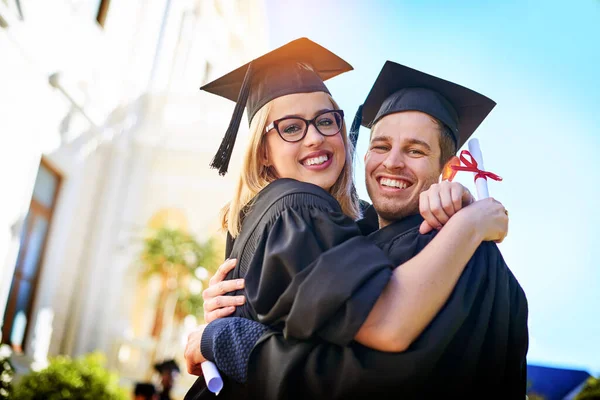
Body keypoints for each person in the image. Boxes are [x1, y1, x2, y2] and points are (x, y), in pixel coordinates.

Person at [185, 60, 528, 399]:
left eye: (415, 150)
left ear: (447, 171)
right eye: (380, 146)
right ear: (363, 155)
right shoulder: (336, 229)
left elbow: (359, 381)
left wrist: (228, 341)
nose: (392, 162)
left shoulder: (459, 254)